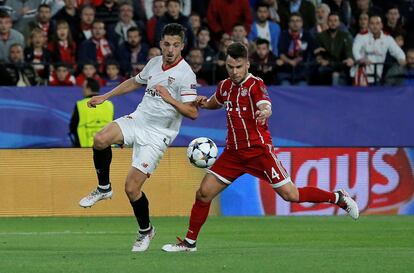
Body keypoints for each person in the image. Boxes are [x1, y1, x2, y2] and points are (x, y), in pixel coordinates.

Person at [161, 42, 359, 252]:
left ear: (247, 64)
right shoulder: (225, 86)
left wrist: (265, 112)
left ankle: (338, 198)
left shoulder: (256, 85)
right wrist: (203, 102)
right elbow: (215, 101)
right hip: (233, 154)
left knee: (291, 195)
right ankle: (189, 243)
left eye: (238, 66)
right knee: (203, 193)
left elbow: (265, 104)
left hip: (259, 152)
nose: (234, 71)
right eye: (230, 67)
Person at [78, 23, 198, 252]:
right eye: (166, 44)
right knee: (100, 139)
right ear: (160, 44)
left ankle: (146, 231)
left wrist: (169, 98)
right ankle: (103, 188)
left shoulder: (186, 74)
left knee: (132, 188)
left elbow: (193, 112)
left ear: (182, 46)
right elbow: (135, 82)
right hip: (139, 119)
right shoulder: (154, 63)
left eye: (175, 45)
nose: (170, 50)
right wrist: (106, 95)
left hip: (158, 135)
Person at [69, 78, 114, 147]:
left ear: (88, 88)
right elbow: (113, 125)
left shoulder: (80, 104)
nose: (82, 90)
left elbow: (72, 126)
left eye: (83, 87)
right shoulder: (109, 104)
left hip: (84, 147)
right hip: (106, 147)